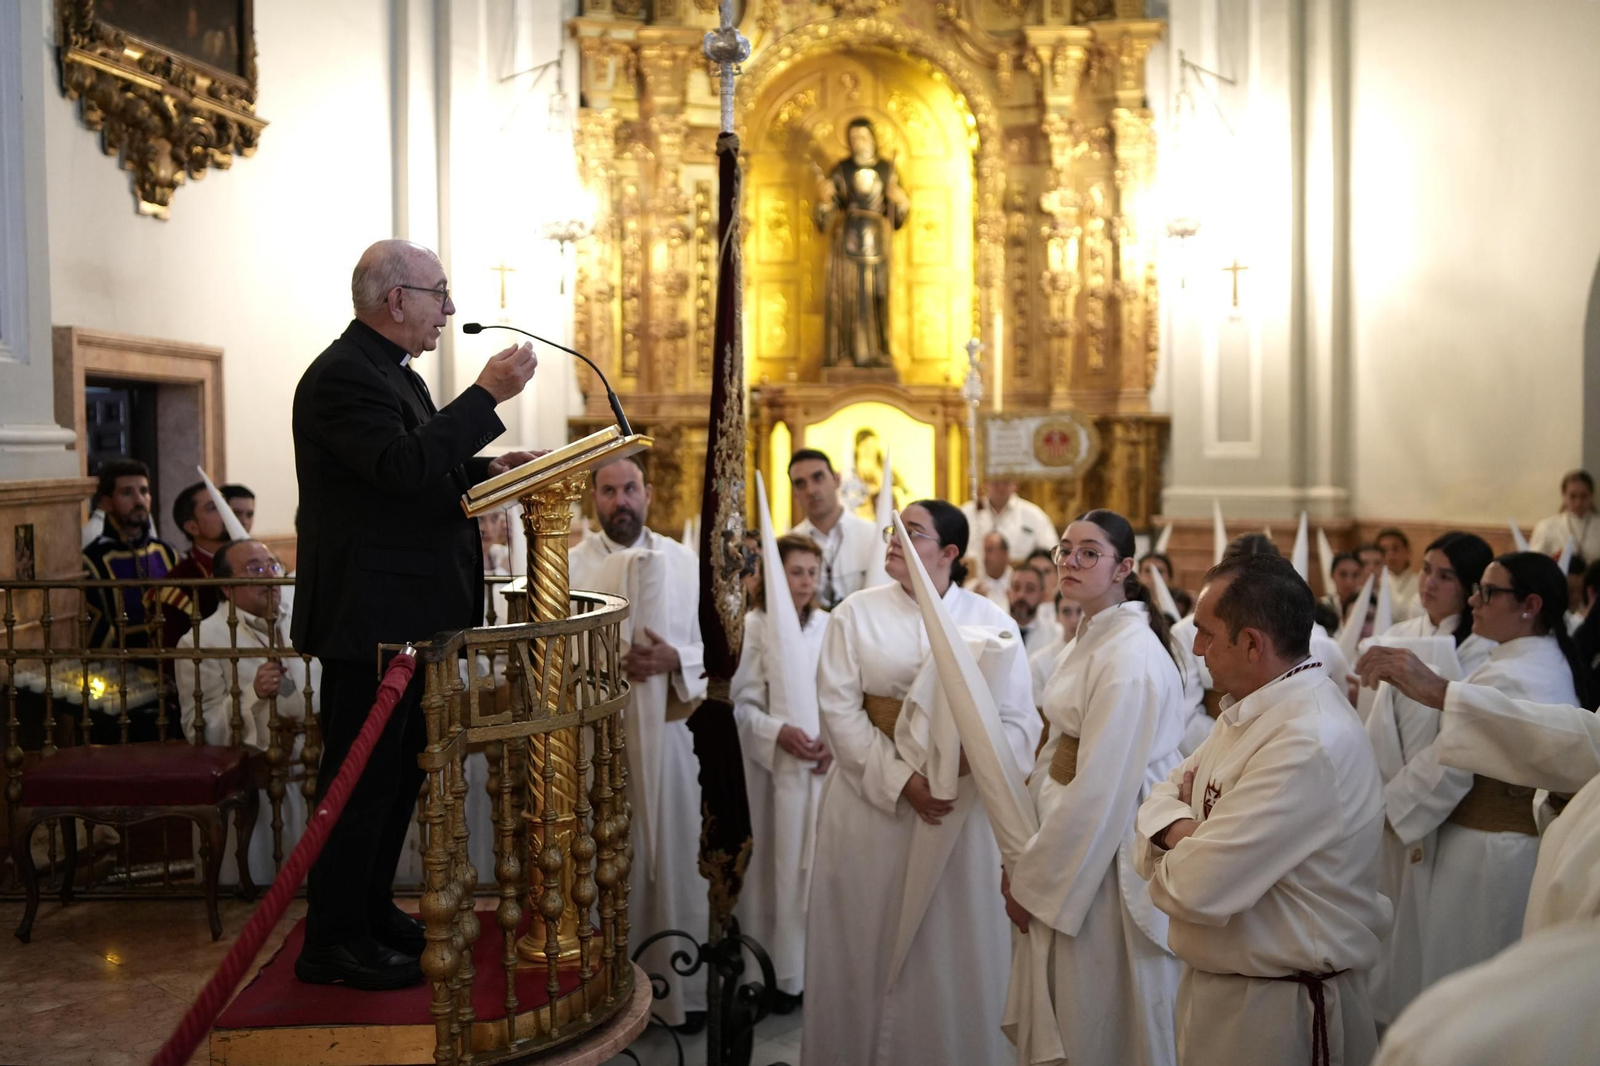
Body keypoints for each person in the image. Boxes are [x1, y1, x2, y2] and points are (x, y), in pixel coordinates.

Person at [291, 238, 539, 990]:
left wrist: (483, 469)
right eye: (440, 293)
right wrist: (486, 396)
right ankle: (332, 939)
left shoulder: (392, 374)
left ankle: (366, 912)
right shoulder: (342, 378)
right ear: (396, 299)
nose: (450, 310)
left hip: (404, 620)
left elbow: (415, 467)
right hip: (369, 622)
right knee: (359, 783)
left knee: (395, 781)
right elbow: (399, 469)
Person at [803, 499, 1038, 1066]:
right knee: (864, 939)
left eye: (911, 533)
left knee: (949, 948)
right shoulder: (853, 615)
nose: (892, 540)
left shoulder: (990, 620)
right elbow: (839, 712)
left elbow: (1018, 721)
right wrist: (904, 780)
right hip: (870, 808)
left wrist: (963, 765)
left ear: (950, 553)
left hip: (958, 816)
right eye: (893, 530)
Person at [1135, 553, 1390, 1066]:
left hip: (1279, 1012)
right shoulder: (1256, 708)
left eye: (1206, 633)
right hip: (1223, 991)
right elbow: (1160, 796)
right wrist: (1192, 836)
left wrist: (1176, 838)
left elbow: (1198, 888)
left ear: (1251, 643)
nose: (1197, 648)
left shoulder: (1307, 739)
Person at [1352, 551, 1586, 997]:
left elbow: (1452, 766)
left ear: (1530, 605)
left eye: (1489, 592)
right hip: (1507, 848)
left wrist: (1385, 808)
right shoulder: (1540, 660)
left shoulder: (1513, 675)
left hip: (1487, 852)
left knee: (1464, 983)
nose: (1475, 601)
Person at [1001, 509, 1184, 1065]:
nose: (1071, 563)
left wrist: (1035, 883)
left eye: (1089, 553)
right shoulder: (1094, 634)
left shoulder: (1129, 656)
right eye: (1065, 550)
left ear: (1124, 567)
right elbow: (1061, 752)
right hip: (1070, 837)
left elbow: (1100, 790)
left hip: (1101, 859)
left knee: (1102, 1016)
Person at [569, 453, 709, 1029]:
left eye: (630, 489)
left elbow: (714, 644)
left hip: (674, 738)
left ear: (648, 493)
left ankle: (680, 994)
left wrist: (678, 657)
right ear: (592, 499)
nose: (620, 501)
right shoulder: (569, 565)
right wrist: (606, 658)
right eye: (608, 491)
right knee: (608, 861)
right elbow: (551, 653)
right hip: (600, 742)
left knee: (675, 857)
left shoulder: (683, 561)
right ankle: (607, 995)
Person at [1359, 531, 1496, 1024]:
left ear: (1471, 587)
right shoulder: (1399, 636)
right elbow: (1373, 724)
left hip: (1436, 813)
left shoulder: (1483, 651)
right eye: (1426, 571)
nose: (1430, 584)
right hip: (1386, 804)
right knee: (1387, 939)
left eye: (1445, 576)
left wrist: (1402, 801)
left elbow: (1462, 741)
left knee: (1427, 947)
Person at [731, 532, 831, 1011]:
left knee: (823, 873)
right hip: (778, 774)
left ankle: (818, 971)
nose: (806, 581)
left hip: (826, 771)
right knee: (779, 867)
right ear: (775, 573)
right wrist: (778, 732)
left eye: (813, 571)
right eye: (796, 571)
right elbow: (744, 703)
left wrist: (835, 740)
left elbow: (845, 696)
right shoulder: (757, 625)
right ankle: (774, 972)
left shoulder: (830, 626)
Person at [82, 459, 179, 649]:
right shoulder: (93, 560)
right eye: (127, 493)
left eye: (144, 491)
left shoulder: (166, 552)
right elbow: (95, 630)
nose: (139, 500)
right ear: (106, 502)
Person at [787, 448, 879, 609]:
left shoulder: (873, 536)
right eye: (800, 484)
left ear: (837, 480)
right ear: (795, 494)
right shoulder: (790, 545)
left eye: (818, 478)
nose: (811, 490)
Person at [155, 480, 233, 648]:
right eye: (214, 507)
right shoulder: (179, 586)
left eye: (225, 504)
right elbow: (175, 658)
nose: (227, 511)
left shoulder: (256, 564)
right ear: (192, 527)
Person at [962, 479, 1057, 562]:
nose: (1001, 486)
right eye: (996, 480)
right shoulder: (966, 513)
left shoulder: (1035, 515)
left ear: (1016, 482)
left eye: (1006, 481)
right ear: (985, 480)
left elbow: (1051, 556)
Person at [1530, 469, 1600, 561]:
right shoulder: (1547, 527)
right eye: (1573, 496)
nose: (1578, 503)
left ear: (1591, 496)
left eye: (1584, 496)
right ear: (1564, 496)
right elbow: (1534, 561)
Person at [1029, 593, 1083, 709]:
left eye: (1080, 611)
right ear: (1057, 617)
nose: (1074, 619)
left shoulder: (1100, 655)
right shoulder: (1039, 662)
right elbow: (1040, 711)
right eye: (1066, 612)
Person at [1008, 563, 1060, 656]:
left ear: (1042, 596)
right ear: (1008, 593)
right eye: (1016, 587)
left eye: (1030, 589)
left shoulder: (1055, 635)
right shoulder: (993, 629)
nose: (1021, 595)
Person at [1376, 527, 1418, 615]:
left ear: (1407, 552)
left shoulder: (1419, 582)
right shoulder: (1376, 582)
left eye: (1395, 548)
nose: (1390, 554)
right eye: (1384, 550)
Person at [969, 531, 1014, 610]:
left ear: (1005, 554)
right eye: (984, 551)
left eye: (989, 550)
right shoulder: (972, 588)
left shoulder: (1020, 588)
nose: (985, 557)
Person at [1325, 549, 1365, 629]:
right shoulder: (1324, 607)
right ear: (1332, 575)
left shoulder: (1370, 608)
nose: (1349, 582)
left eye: (1355, 575)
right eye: (1343, 574)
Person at [1024, 547, 1060, 625]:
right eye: (1035, 571)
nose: (1041, 577)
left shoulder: (1069, 609)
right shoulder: (1016, 610)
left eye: (1047, 572)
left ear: (1057, 574)